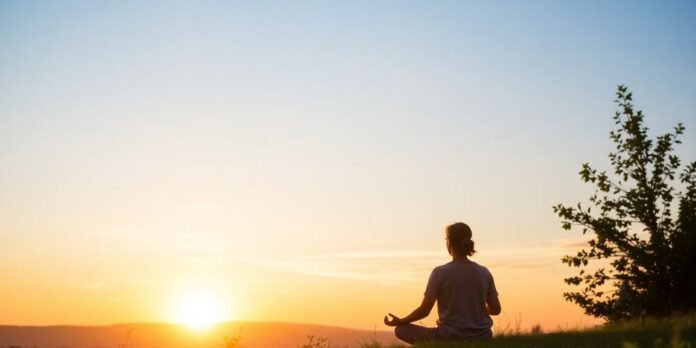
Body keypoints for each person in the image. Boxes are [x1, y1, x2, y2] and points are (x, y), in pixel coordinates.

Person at [384, 222, 501, 344]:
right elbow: (496, 309)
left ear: (449, 242)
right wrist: (474, 310)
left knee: (401, 330)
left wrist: (401, 321)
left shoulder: (440, 272)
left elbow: (425, 310)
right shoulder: (484, 272)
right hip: (482, 338)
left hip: (448, 337)